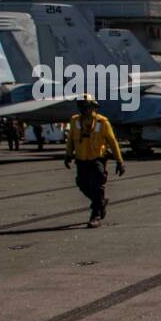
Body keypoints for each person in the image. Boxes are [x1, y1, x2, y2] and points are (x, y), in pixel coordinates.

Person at [64, 93, 124, 227]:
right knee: (82, 184)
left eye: (85, 105)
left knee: (97, 187)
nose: (83, 108)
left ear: (92, 106)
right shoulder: (75, 121)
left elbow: (112, 142)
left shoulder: (102, 122)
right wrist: (68, 155)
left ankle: (95, 215)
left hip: (97, 159)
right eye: (81, 105)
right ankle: (100, 202)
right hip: (81, 160)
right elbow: (70, 140)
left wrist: (120, 161)